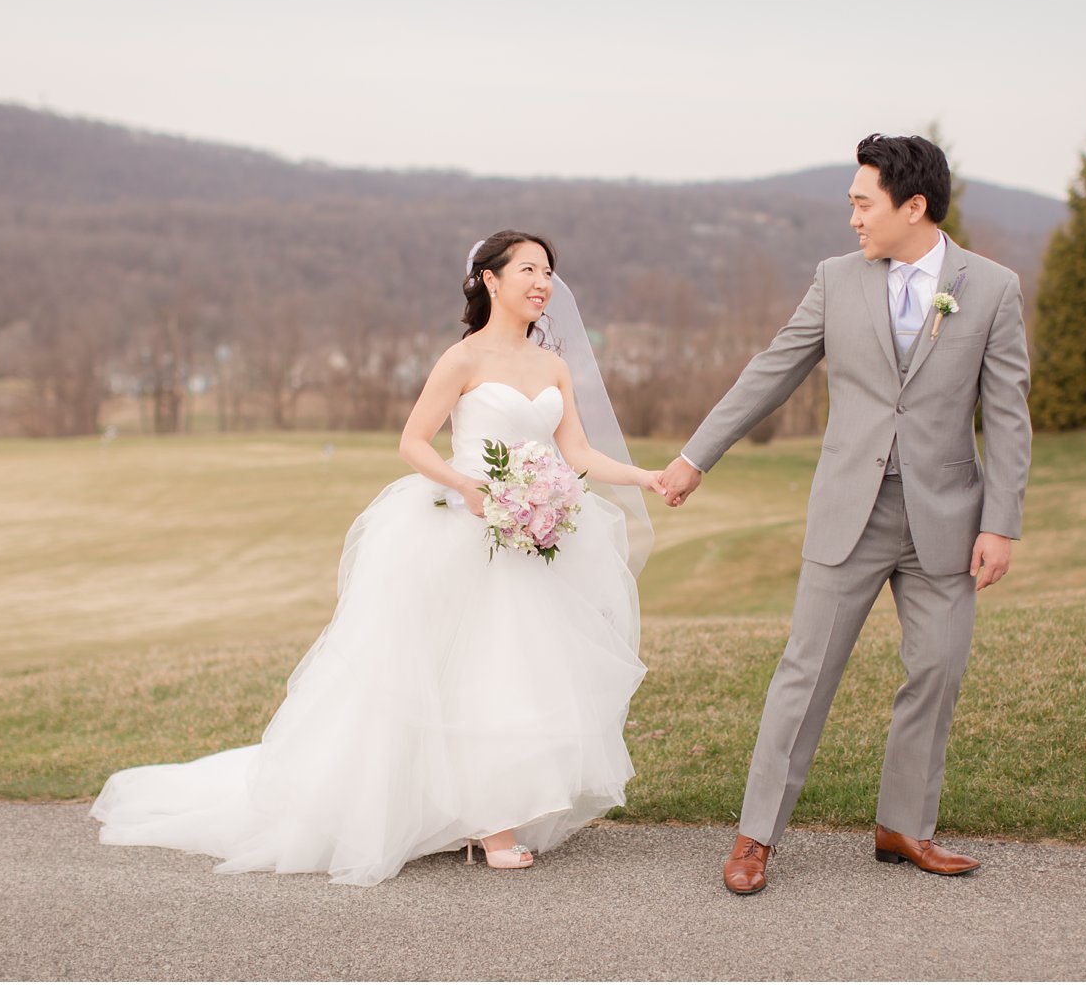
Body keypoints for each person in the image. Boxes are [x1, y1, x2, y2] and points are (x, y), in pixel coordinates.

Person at [92, 230, 664, 886]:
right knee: (472, 667)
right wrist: (469, 487)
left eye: (549, 272)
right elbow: (414, 443)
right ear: (489, 280)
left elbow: (579, 454)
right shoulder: (462, 360)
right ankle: (488, 822)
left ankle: (492, 810)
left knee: (520, 669)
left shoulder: (552, 365)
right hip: (464, 529)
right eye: (529, 270)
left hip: (529, 536)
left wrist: (643, 477)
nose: (543, 283)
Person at [659, 134, 1033, 892]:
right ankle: (755, 836)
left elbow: (1008, 414)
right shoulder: (834, 280)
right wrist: (695, 457)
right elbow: (772, 370)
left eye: (864, 203)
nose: (854, 218)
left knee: (937, 670)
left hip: (948, 517)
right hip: (848, 512)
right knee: (806, 672)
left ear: (914, 206)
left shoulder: (991, 288)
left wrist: (1002, 522)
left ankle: (904, 828)